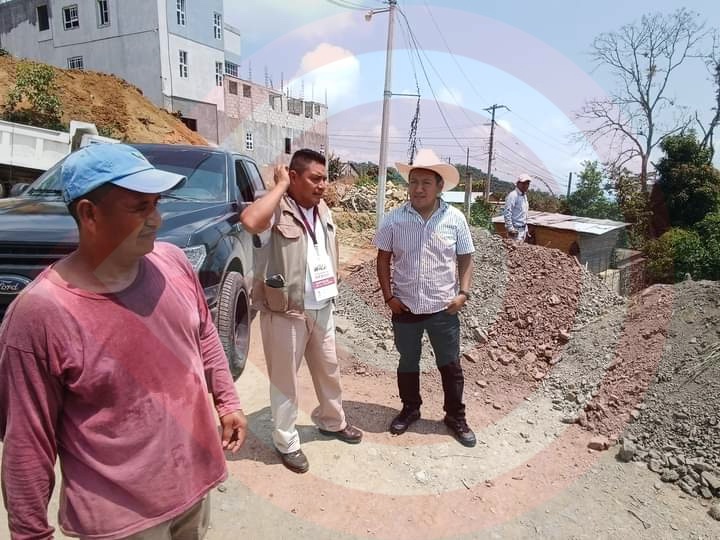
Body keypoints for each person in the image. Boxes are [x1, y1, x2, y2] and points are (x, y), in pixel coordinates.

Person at [0, 143, 247, 539]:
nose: (156, 219)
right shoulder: (40, 315)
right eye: (140, 207)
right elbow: (27, 442)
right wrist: (30, 534)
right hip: (121, 523)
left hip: (193, 489)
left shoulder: (173, 262)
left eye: (157, 204)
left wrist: (226, 399)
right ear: (89, 214)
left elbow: (203, 331)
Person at [240, 148, 362, 474]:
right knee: (285, 382)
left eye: (325, 178)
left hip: (322, 306)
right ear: (293, 177)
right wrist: (279, 186)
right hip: (286, 312)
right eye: (315, 178)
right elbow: (249, 221)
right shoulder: (275, 209)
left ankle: (332, 421)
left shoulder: (323, 209)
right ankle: (286, 441)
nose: (322, 185)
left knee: (329, 370)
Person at [374, 149, 476, 448]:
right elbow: (382, 258)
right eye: (414, 182)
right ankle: (410, 408)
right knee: (408, 361)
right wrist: (389, 297)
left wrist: (463, 293)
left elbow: (466, 257)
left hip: (443, 308)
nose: (418, 188)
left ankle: (455, 416)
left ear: (439, 186)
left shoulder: (455, 219)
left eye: (426, 183)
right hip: (405, 307)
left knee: (450, 365)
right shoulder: (394, 219)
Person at [503, 173, 532, 242]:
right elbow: (507, 212)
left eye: (527, 183)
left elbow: (524, 214)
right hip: (515, 230)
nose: (526, 185)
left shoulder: (524, 196)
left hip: (522, 230)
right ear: (518, 183)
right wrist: (510, 229)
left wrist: (526, 230)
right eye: (523, 183)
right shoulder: (513, 195)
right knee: (514, 247)